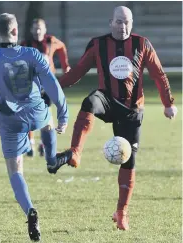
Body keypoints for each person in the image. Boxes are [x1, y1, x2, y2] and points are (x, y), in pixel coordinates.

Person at [56, 6, 178, 230]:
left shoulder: (142, 44)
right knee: (90, 101)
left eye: (128, 22)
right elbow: (77, 72)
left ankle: (122, 212)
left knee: (129, 161)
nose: (124, 27)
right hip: (107, 100)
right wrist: (54, 88)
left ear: (132, 24)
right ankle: (75, 153)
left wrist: (168, 103)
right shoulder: (98, 44)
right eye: (119, 22)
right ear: (110, 22)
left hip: (132, 110)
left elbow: (158, 74)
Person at [0, 13, 71, 241]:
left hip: (11, 120)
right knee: (48, 122)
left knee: (15, 170)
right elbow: (53, 86)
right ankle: (51, 161)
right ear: (16, 31)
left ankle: (30, 211)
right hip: (37, 111)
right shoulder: (32, 54)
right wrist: (64, 114)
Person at [21, 18, 71, 157]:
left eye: (40, 28)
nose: (38, 31)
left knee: (46, 113)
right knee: (30, 112)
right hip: (31, 85)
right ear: (31, 30)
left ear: (45, 29)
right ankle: (30, 143)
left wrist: (65, 64)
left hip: (48, 83)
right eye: (35, 28)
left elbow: (61, 47)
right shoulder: (26, 44)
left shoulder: (51, 41)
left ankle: (44, 144)